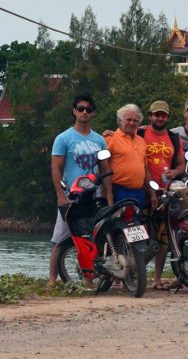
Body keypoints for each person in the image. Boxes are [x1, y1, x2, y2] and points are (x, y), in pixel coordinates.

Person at [48, 93, 112, 285]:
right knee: (60, 239)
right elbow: (56, 168)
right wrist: (60, 195)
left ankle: (89, 278)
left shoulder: (100, 140)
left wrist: (109, 196)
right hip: (72, 195)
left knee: (90, 238)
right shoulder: (64, 138)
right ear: (74, 111)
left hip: (93, 196)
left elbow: (105, 169)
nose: (84, 112)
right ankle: (52, 280)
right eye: (81, 109)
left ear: (93, 113)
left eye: (88, 109)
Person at [141, 100, 185, 290]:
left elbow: (182, 164)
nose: (160, 118)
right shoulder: (141, 133)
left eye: (163, 115)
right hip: (141, 191)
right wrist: (107, 134)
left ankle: (157, 279)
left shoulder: (174, 138)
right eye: (156, 114)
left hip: (165, 193)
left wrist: (174, 173)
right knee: (139, 235)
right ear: (150, 116)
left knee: (163, 238)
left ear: (167, 117)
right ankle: (132, 275)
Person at [106, 103, 152, 209]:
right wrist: (108, 196)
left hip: (139, 192)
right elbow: (103, 169)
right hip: (119, 191)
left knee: (137, 224)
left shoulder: (141, 141)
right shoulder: (110, 138)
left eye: (135, 120)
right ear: (120, 120)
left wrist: (152, 193)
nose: (132, 123)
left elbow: (145, 169)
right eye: (128, 119)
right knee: (120, 225)